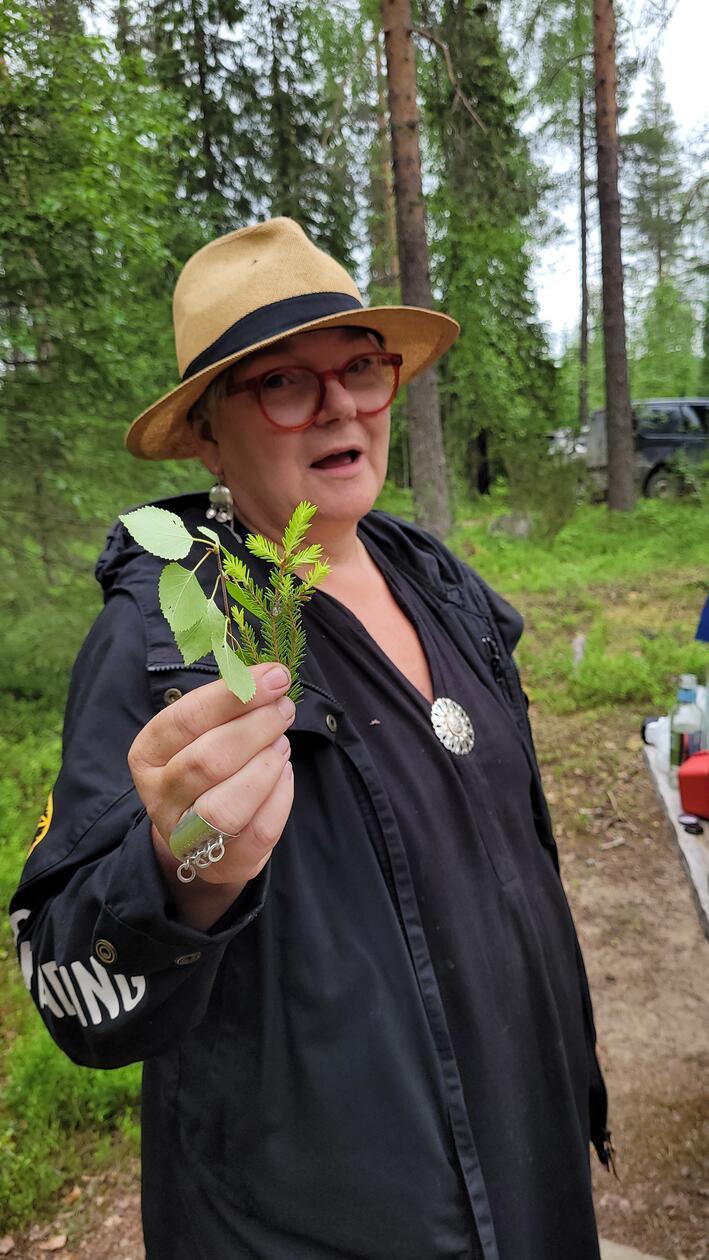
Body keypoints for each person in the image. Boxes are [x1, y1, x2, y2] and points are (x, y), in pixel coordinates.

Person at [10, 217, 611, 1260]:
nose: (338, 404)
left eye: (359, 367)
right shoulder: (163, 640)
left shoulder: (439, 583)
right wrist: (183, 873)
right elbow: (68, 978)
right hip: (318, 1227)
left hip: (527, 1161)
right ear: (205, 431)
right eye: (284, 383)